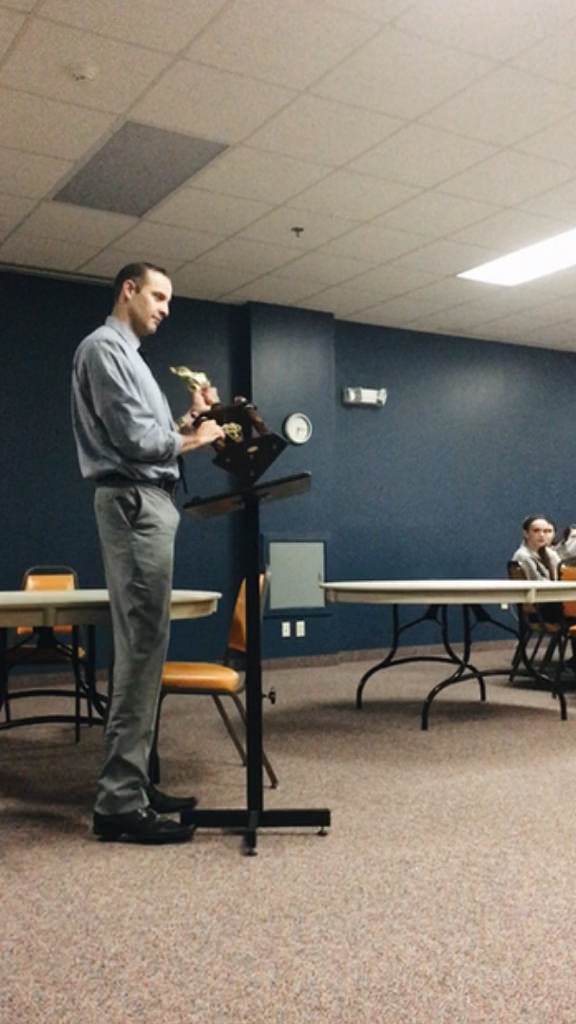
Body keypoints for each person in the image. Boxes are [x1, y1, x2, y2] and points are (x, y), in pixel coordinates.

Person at [71, 262, 224, 844]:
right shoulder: (104, 350)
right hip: (135, 502)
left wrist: (191, 420)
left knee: (148, 646)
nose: (164, 308)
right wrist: (200, 438)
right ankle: (117, 804)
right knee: (139, 651)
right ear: (128, 291)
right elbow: (138, 443)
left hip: (148, 498)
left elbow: (154, 436)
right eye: (158, 296)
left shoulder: (131, 357)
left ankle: (135, 781)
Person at [511, 515, 560, 580]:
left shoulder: (551, 554)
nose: (542, 535)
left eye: (545, 531)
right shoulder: (523, 556)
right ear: (526, 534)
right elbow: (537, 583)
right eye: (536, 531)